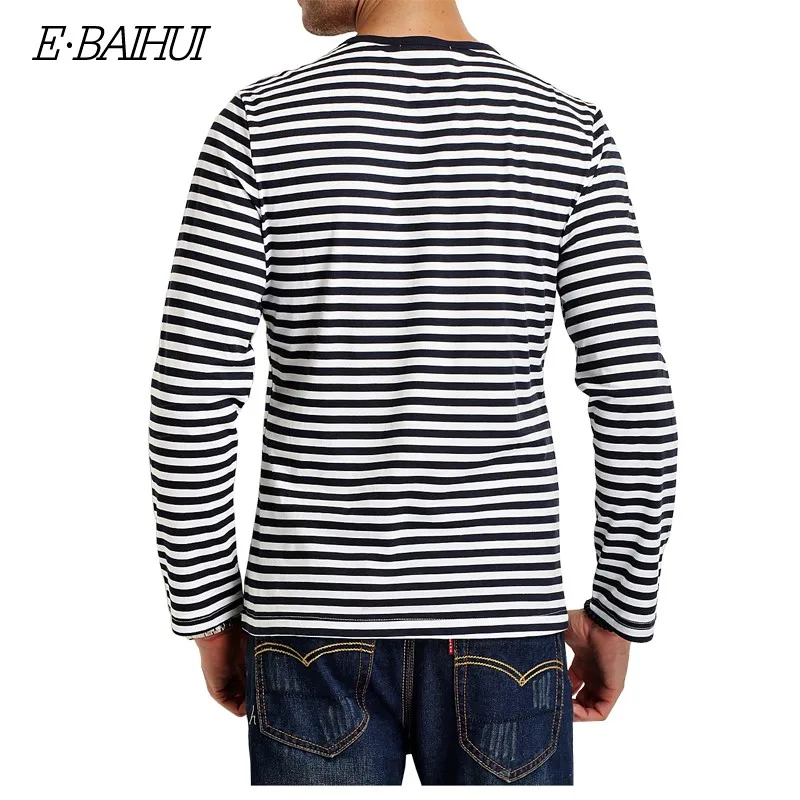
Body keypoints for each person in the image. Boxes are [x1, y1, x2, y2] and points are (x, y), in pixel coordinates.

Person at [148, 0, 678, 785]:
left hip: (308, 624)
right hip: (505, 622)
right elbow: (635, 399)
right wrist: (619, 614)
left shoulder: (260, 125)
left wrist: (208, 616)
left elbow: (190, 396)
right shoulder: (568, 131)